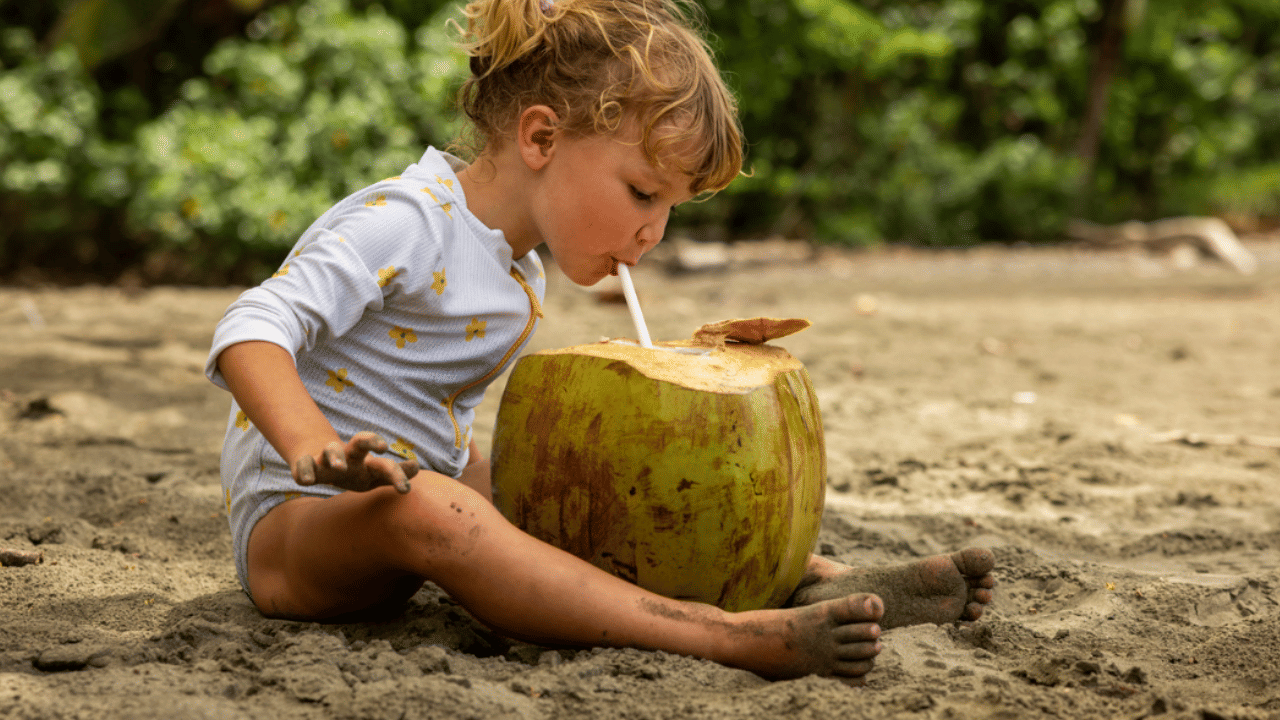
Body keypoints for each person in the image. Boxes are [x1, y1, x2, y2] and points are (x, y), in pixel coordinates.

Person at [205, 0, 994, 685]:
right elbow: (251, 327)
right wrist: (311, 443)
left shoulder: (517, 268)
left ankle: (806, 578)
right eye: (643, 193)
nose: (654, 232)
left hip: (409, 498)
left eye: (671, 208)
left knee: (577, 495)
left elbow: (432, 411)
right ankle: (725, 635)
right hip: (299, 529)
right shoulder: (405, 224)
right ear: (541, 137)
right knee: (440, 508)